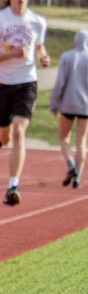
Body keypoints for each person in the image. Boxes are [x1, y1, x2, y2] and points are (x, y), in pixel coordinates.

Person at [0, 0, 50, 206]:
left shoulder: (37, 22)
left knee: (19, 132)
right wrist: (11, 54)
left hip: (26, 81)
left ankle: (13, 185)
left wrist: (43, 56)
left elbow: (38, 44)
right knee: (5, 134)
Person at [50, 29, 88, 189]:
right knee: (81, 141)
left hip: (68, 104)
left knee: (63, 139)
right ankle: (78, 175)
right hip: (86, 106)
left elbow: (60, 83)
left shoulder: (67, 56)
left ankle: (71, 164)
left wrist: (54, 103)